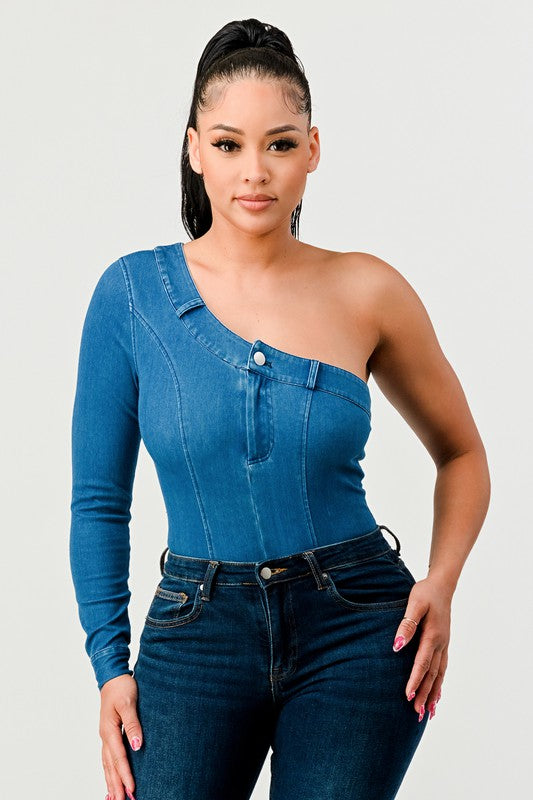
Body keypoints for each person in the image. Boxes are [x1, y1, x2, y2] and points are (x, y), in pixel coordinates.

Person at [69, 17, 490, 800]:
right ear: (194, 150)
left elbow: (461, 454)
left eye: (280, 144)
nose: (254, 173)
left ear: (313, 150)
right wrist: (109, 667)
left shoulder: (368, 290)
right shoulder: (131, 295)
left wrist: (440, 582)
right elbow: (98, 501)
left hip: (358, 627)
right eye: (228, 144)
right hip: (195, 635)